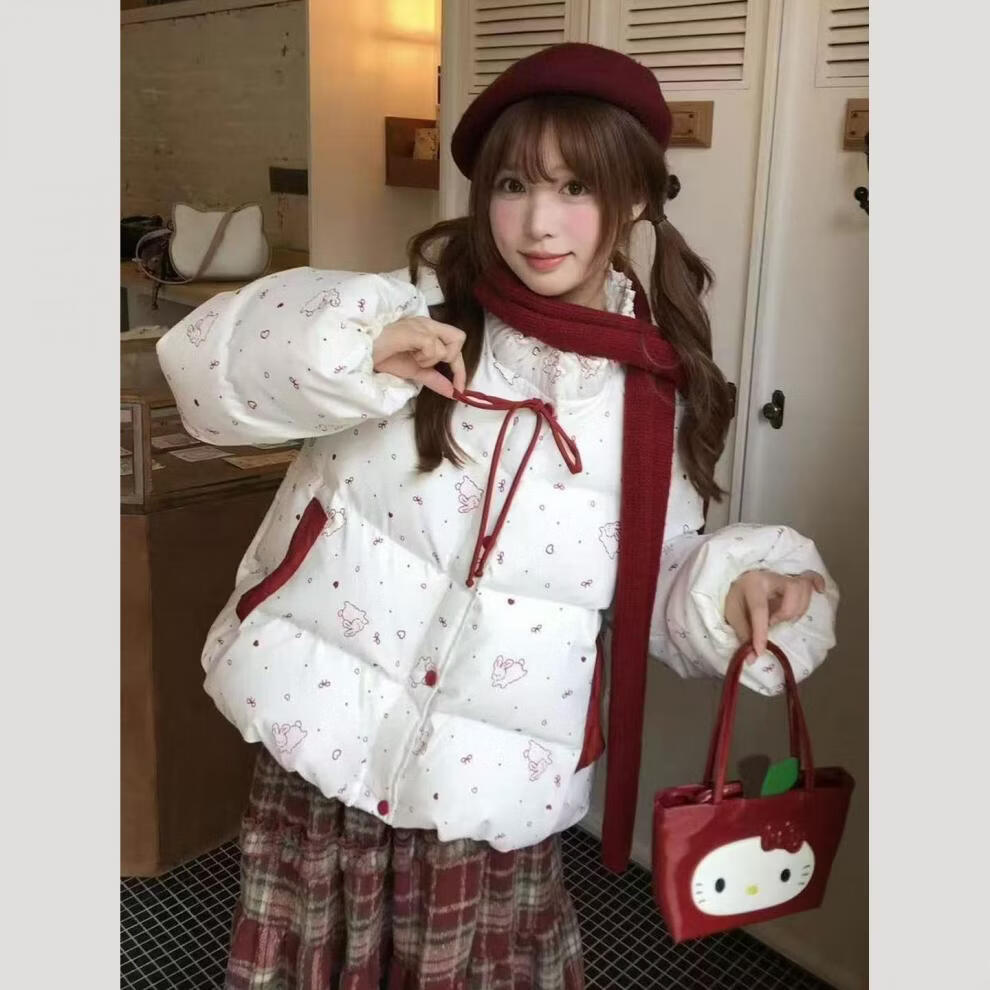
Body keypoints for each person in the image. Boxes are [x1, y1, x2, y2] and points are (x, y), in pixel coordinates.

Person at [157, 42, 838, 990]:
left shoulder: (653, 396)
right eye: (514, 185)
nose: (538, 223)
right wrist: (353, 349)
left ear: (635, 199)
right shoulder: (412, 319)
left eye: (576, 188)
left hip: (486, 775)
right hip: (329, 729)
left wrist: (733, 592)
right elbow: (209, 367)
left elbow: (651, 572)